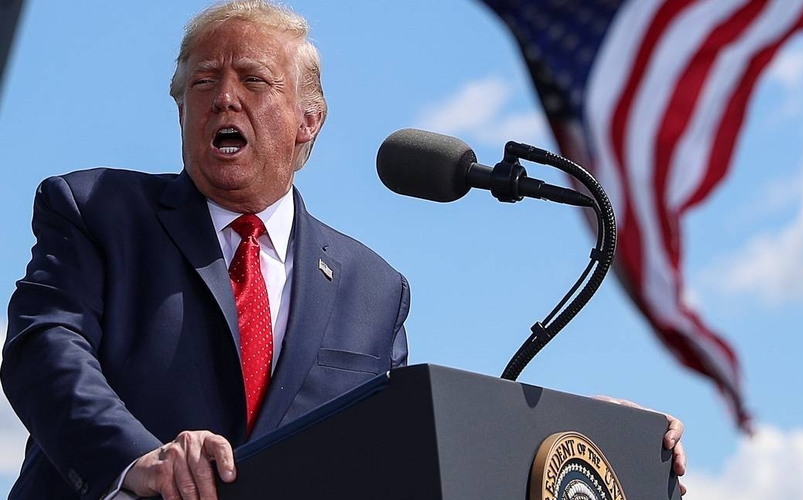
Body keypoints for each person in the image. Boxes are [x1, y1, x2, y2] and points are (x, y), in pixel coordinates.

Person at [1, 1, 684, 499]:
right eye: (203, 81)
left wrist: (593, 437)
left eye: (254, 81)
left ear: (308, 121)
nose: (224, 97)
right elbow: (43, 351)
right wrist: (138, 460)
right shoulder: (95, 211)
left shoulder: (373, 288)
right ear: (180, 106)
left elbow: (398, 448)